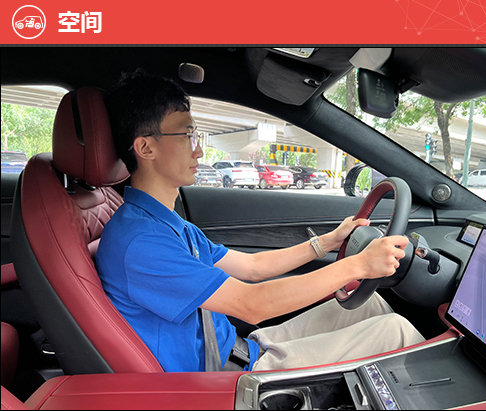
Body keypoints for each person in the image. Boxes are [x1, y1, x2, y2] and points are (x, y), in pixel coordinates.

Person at [96, 70, 424, 373]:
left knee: (370, 306)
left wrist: (328, 242)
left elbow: (252, 267)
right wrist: (359, 265)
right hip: (228, 381)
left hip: (242, 351)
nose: (199, 152)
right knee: (396, 332)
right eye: (186, 136)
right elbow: (252, 305)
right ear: (145, 148)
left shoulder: (168, 225)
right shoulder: (141, 242)